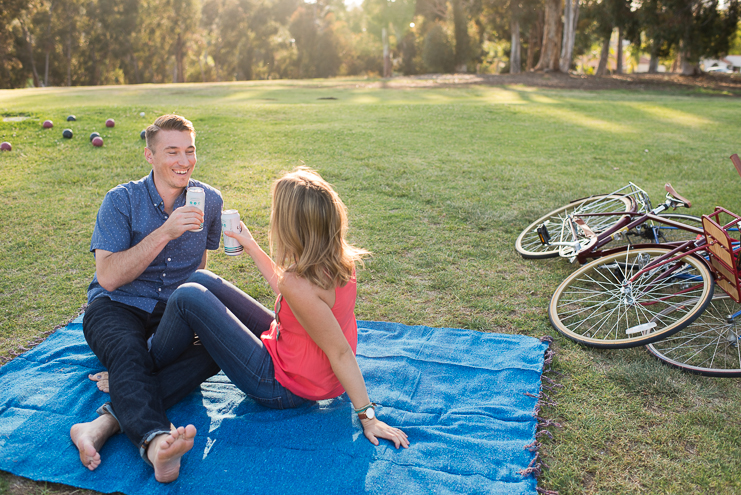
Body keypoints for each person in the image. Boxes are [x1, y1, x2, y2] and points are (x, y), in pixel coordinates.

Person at [149, 168, 410, 449]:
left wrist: (368, 416)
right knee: (201, 279)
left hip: (282, 385)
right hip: (297, 358)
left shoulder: (299, 284)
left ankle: (143, 366)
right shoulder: (337, 259)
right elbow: (295, 295)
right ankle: (157, 356)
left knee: (188, 296)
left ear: (291, 227)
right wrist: (250, 246)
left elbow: (341, 352)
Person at [69, 114, 224, 482]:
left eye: (190, 151)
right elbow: (107, 277)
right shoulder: (121, 200)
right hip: (117, 305)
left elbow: (199, 266)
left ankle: (100, 424)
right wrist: (165, 232)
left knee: (218, 348)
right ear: (149, 156)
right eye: (172, 152)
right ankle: (155, 443)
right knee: (128, 350)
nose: (183, 161)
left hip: (173, 312)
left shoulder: (210, 201)